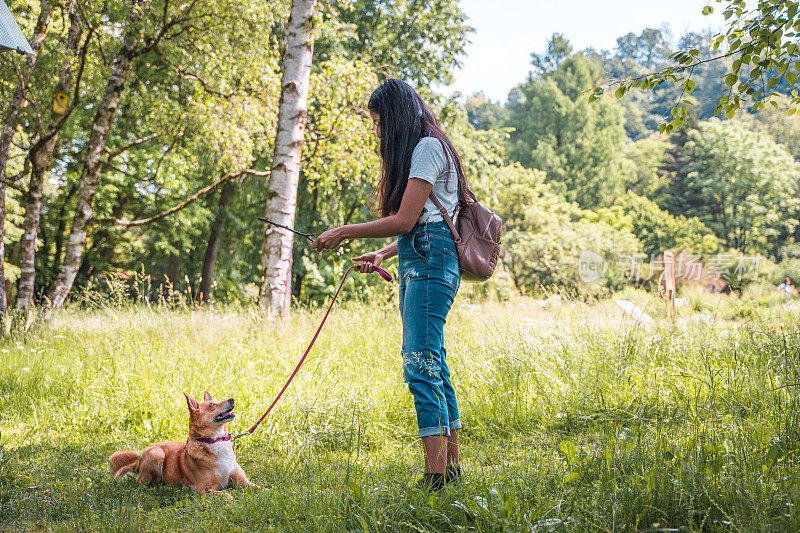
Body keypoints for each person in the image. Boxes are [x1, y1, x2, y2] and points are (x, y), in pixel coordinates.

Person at [310, 79, 470, 491]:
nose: (379, 133)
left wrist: (344, 232)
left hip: (431, 261)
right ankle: (450, 468)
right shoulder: (428, 147)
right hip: (422, 255)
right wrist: (382, 254)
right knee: (433, 360)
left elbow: (404, 220)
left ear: (397, 117)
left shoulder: (427, 148)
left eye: (380, 123)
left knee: (419, 363)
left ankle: (436, 476)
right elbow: (419, 224)